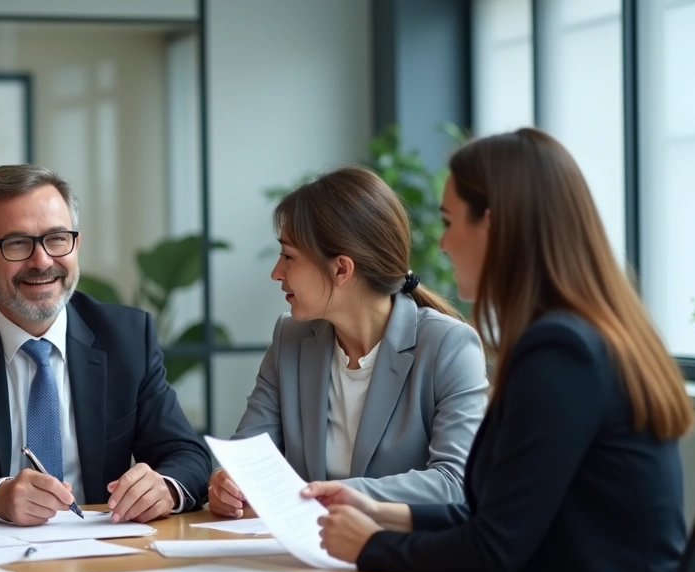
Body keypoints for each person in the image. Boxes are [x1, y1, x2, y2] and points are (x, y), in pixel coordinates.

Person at [312, 128, 693, 572]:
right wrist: (387, 514)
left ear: (491, 223)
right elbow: (501, 517)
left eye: (449, 222)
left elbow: (493, 551)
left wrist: (368, 545)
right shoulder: (590, 336)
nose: (442, 243)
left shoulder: (561, 353)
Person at [0, 164, 212, 525]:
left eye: (57, 239)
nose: (42, 261)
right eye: (17, 243)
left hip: (105, 548)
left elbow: (186, 453)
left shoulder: (127, 337)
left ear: (76, 245)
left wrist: (164, 487)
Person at [208, 166, 487, 523]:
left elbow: (456, 482)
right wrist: (228, 485)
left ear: (342, 269)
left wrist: (337, 496)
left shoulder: (449, 347)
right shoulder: (289, 340)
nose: (276, 272)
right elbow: (249, 458)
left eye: (289, 256)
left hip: (400, 562)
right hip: (305, 563)